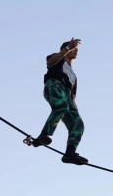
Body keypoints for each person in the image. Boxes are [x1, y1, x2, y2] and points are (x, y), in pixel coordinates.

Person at [31, 37, 88, 165]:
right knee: (61, 106)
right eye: (74, 49)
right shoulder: (58, 58)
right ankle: (44, 134)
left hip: (66, 95)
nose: (75, 51)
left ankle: (70, 153)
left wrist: (76, 115)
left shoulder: (73, 75)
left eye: (76, 50)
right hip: (54, 85)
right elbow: (50, 63)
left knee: (78, 124)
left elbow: (72, 98)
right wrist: (67, 48)